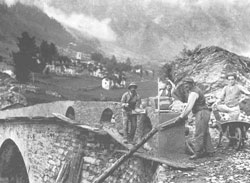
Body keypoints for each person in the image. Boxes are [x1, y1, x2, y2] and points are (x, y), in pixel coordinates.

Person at [174, 78, 214, 160]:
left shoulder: (194, 93)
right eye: (185, 84)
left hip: (201, 113)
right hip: (204, 112)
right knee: (205, 132)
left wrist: (181, 117)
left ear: (192, 84)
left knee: (199, 133)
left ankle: (198, 153)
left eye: (188, 84)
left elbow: (189, 107)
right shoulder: (195, 90)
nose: (186, 85)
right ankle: (210, 151)